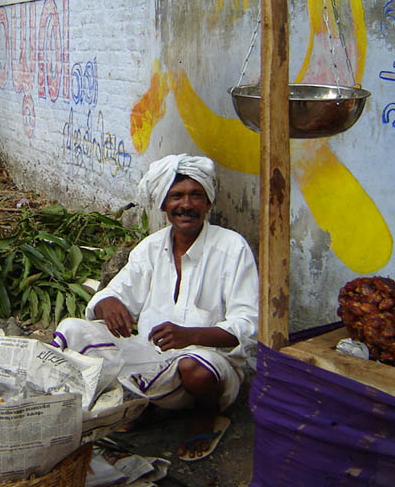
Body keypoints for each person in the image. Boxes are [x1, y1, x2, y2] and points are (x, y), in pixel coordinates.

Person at [51, 154, 258, 461]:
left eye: (195, 195)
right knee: (72, 330)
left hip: (207, 364)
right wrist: (109, 305)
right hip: (150, 356)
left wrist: (192, 336)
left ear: (208, 204)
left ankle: (206, 417)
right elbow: (114, 293)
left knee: (194, 369)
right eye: (176, 196)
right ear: (164, 205)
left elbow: (249, 325)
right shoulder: (151, 247)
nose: (186, 205)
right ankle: (147, 403)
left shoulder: (231, 247)